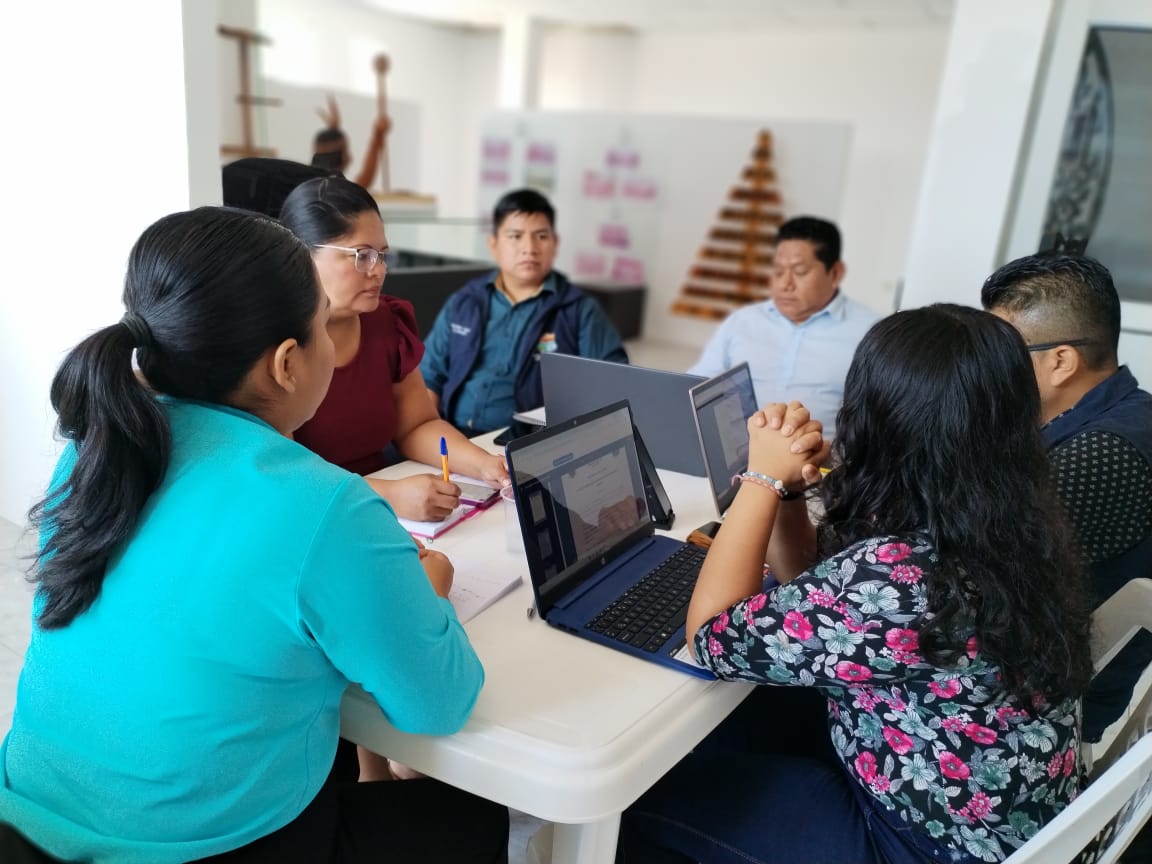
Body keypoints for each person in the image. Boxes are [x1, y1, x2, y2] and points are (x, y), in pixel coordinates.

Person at [0, 207, 509, 862]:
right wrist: (428, 586)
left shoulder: (97, 448)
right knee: (478, 811)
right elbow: (440, 704)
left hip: (28, 823)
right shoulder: (327, 506)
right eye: (323, 326)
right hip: (200, 851)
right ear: (287, 363)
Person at [618, 304, 1093, 864]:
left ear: (878, 417)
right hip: (990, 818)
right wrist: (791, 490)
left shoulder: (904, 577)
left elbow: (710, 637)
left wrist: (761, 478)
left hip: (914, 844)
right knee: (740, 725)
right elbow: (813, 584)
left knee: (644, 793)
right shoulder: (1008, 521)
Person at [981, 252, 1152, 743]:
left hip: (1042, 714)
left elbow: (976, 574)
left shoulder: (1100, 453)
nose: (988, 370)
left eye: (1002, 354)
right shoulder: (1115, 414)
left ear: (1060, 361)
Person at [279, 176, 508, 522]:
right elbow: (290, 477)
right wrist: (390, 496)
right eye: (362, 256)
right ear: (302, 254)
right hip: (318, 517)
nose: (379, 271)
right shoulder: (276, 347)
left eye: (383, 255)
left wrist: (486, 465)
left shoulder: (385, 322)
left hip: (393, 510)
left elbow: (416, 425)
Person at [420, 188, 629, 435]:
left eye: (541, 236)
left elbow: (614, 386)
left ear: (555, 244)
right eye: (515, 236)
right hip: (453, 436)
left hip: (529, 443)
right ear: (493, 244)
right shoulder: (464, 302)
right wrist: (430, 434)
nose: (529, 248)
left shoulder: (580, 311)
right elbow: (428, 379)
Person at [688, 216, 879, 436]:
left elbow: (879, 422)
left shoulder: (871, 333)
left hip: (820, 454)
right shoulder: (742, 322)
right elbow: (696, 385)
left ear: (836, 273)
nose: (784, 284)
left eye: (800, 272)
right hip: (739, 449)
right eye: (778, 272)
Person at [311, 94, 388, 191]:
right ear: (343, 156)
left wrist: (333, 131)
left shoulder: (307, 186)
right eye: (346, 149)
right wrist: (378, 135)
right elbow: (365, 178)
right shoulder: (337, 191)